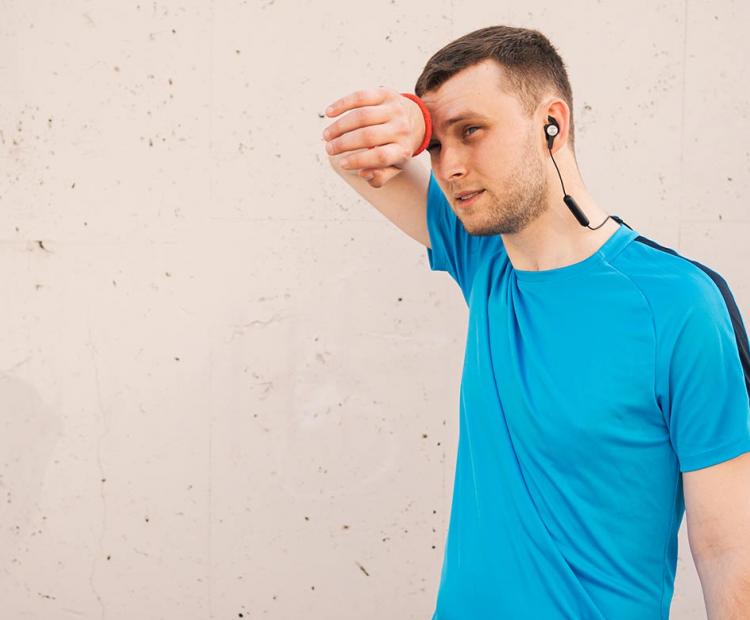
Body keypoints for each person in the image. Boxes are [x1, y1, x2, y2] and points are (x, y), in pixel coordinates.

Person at [321, 25, 750, 619]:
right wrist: (415, 118)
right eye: (437, 146)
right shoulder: (484, 260)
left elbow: (729, 551)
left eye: (472, 131)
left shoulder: (680, 306)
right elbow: (352, 152)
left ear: (553, 123)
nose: (450, 166)